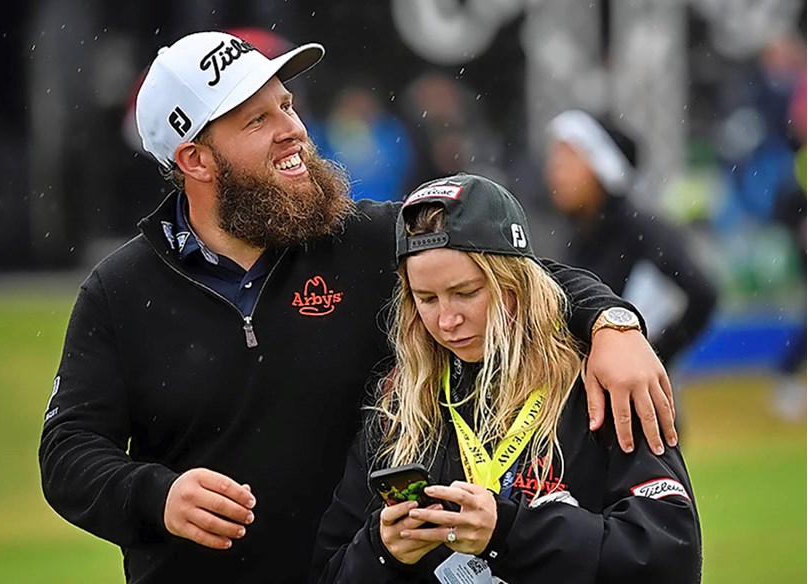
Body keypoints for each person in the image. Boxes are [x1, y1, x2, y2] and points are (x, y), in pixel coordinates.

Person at [39, 31, 677, 582]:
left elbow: (514, 272)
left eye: (286, 106)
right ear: (194, 159)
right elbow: (68, 450)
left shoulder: (366, 239)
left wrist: (612, 322)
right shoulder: (119, 290)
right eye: (256, 120)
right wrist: (156, 495)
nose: (294, 131)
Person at [312, 174, 702, 583]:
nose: (447, 320)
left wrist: (509, 532)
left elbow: (669, 557)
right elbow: (329, 571)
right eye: (426, 299)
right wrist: (382, 552)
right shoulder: (400, 409)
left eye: (466, 293)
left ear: (515, 283)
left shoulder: (598, 383)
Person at [545, 109, 717, 365]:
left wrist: (653, 354)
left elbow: (703, 294)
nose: (554, 171)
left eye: (568, 159)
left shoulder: (641, 231)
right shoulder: (578, 234)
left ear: (601, 166)